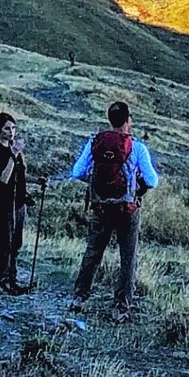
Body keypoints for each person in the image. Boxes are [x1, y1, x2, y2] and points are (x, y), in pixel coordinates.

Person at [68, 99, 160, 316]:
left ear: (110, 119)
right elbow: (152, 180)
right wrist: (136, 185)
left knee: (93, 252)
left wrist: (96, 182)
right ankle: (122, 305)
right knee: (128, 256)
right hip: (127, 209)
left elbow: (77, 172)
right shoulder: (137, 147)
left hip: (100, 207)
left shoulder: (95, 143)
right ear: (128, 121)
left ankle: (79, 297)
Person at [0, 112, 33, 294]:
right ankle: (2, 278)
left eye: (13, 128)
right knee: (5, 242)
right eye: (7, 128)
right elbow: (4, 178)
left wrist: (37, 181)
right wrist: (13, 155)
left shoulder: (15, 149)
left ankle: (12, 277)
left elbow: (20, 174)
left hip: (19, 202)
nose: (11, 132)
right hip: (4, 203)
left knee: (16, 243)